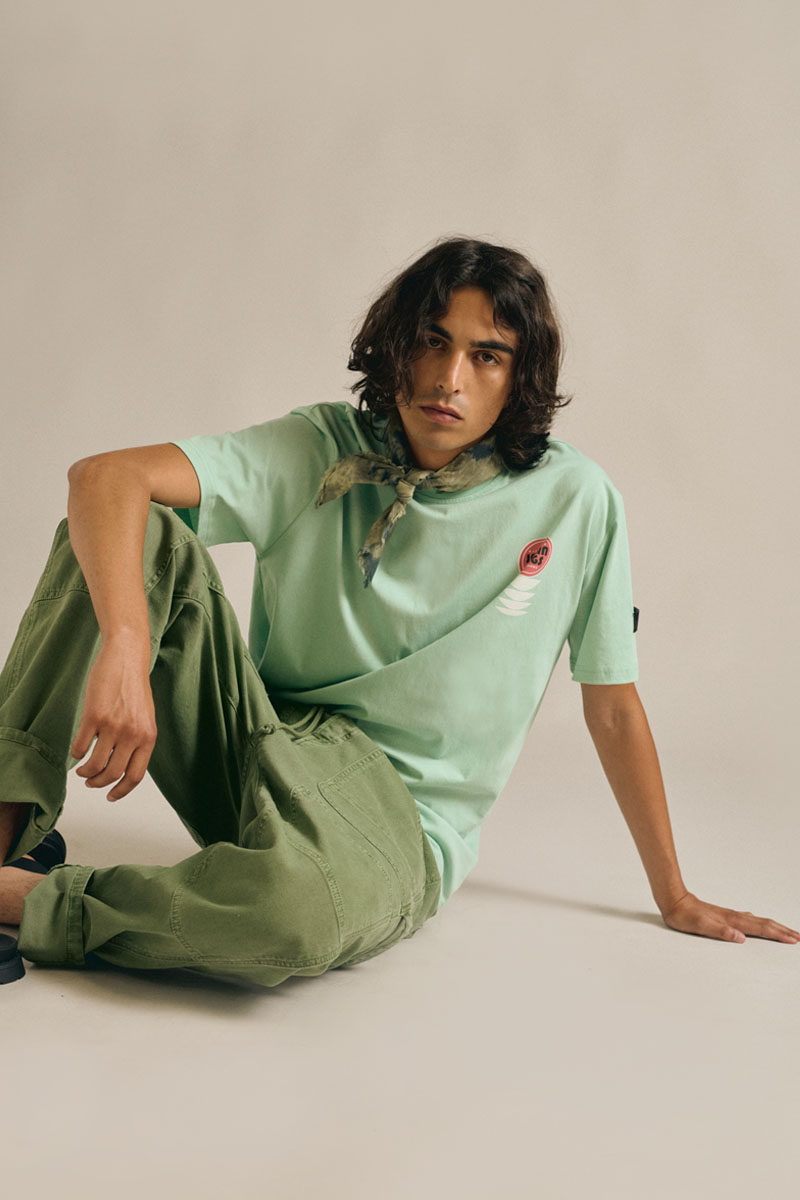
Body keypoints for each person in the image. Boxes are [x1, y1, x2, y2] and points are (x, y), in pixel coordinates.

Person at [1, 236, 797, 989]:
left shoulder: (576, 499)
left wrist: (673, 893)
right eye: (431, 341)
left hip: (396, 819)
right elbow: (104, 478)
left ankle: (28, 901)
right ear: (396, 347)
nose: (449, 378)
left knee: (291, 920)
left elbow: (613, 705)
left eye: (486, 355)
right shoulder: (323, 447)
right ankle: (6, 825)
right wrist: (126, 641)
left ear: (518, 379)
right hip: (257, 748)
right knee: (124, 530)